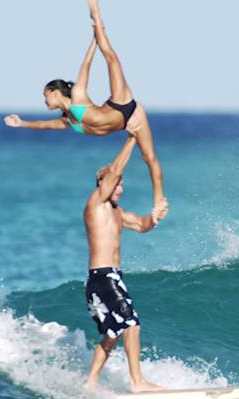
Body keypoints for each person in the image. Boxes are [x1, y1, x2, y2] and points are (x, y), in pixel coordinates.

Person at [4, 0, 166, 218]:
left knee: (111, 59)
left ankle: (158, 202)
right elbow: (44, 125)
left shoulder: (78, 96)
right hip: (120, 123)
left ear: (55, 92)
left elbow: (87, 64)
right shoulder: (67, 120)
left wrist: (95, 37)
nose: (44, 101)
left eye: (46, 96)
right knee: (146, 156)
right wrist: (21, 123)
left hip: (125, 108)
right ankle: (98, 26)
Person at [83, 129, 167, 393]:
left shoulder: (119, 213)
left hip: (106, 278)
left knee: (112, 333)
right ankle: (137, 382)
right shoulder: (96, 204)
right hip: (103, 276)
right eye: (116, 183)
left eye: (121, 184)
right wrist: (133, 138)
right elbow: (116, 168)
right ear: (104, 183)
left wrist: (154, 217)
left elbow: (141, 225)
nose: (120, 187)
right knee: (131, 323)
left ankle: (90, 384)